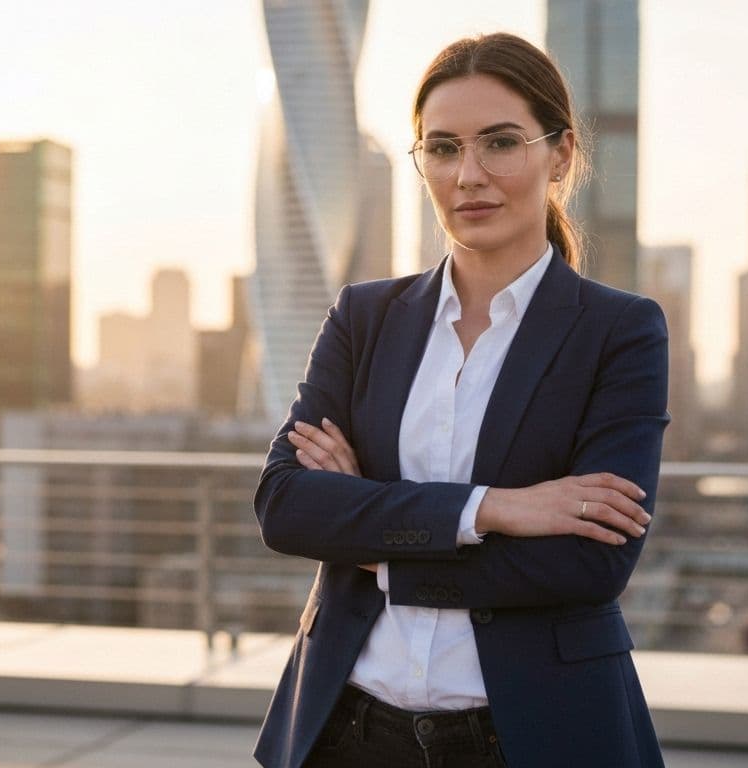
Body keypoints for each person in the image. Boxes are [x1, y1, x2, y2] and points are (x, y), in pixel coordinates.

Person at [251, 32, 670, 768]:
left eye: (499, 143)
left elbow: (592, 562)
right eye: (442, 148)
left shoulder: (619, 332)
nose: (469, 174)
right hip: (345, 731)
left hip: (530, 737)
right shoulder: (364, 317)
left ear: (561, 154)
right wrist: (493, 509)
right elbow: (286, 506)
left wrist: (374, 540)